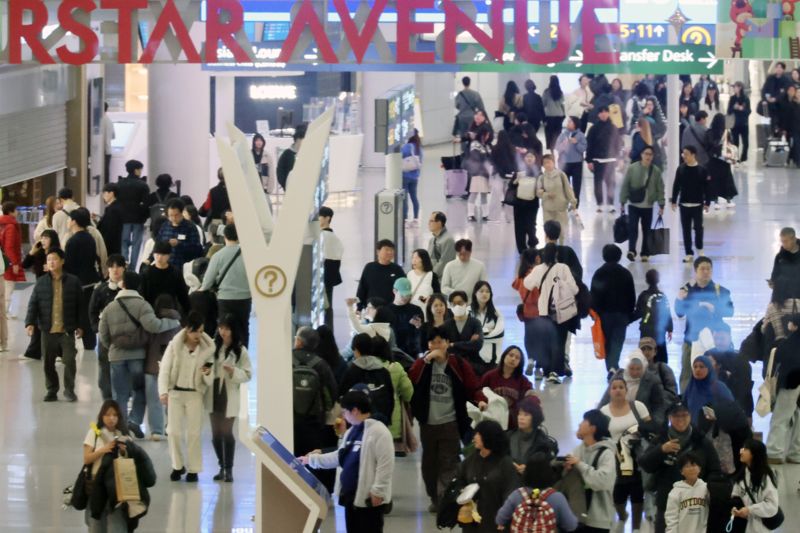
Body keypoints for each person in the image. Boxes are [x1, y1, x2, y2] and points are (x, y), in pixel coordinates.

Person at [409, 327, 487, 512]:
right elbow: (411, 379)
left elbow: (472, 386)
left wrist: (481, 400)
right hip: (428, 424)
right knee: (429, 464)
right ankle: (435, 497)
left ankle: (445, 499)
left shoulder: (457, 364)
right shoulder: (423, 363)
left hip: (451, 422)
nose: (436, 345)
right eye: (432, 342)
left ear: (447, 343)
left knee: (449, 462)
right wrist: (426, 360)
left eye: (440, 341)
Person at [100, 270, 182, 437]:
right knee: (140, 391)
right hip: (137, 356)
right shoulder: (142, 305)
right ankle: (134, 420)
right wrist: (173, 322)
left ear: (123, 284)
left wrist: (113, 349)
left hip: (116, 357)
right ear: (138, 286)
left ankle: (120, 431)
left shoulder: (110, 307)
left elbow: (103, 335)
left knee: (120, 395)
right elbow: (154, 326)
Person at [302, 390, 395, 533]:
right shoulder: (352, 432)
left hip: (369, 500)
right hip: (351, 497)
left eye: (345, 411)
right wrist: (311, 460)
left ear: (355, 411)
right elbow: (339, 456)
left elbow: (386, 465)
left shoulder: (380, 432)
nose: (343, 415)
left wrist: (378, 491)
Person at [639, 401, 723, 533]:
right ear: (670, 418)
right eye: (676, 416)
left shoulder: (700, 440)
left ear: (690, 416)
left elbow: (715, 469)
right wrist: (661, 450)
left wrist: (705, 489)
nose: (680, 420)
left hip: (696, 503)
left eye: (684, 415)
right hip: (666, 501)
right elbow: (645, 464)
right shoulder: (662, 438)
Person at [82, 399, 156, 532]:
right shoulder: (93, 433)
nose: (111, 418)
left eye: (115, 415)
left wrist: (124, 450)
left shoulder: (124, 436)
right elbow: (87, 459)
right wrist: (103, 450)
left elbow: (132, 461)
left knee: (117, 527)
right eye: (108, 414)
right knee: (96, 526)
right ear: (102, 416)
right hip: (95, 487)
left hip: (117, 489)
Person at [158, 311, 214, 482]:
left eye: (201, 331)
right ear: (186, 330)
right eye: (194, 331)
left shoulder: (207, 351)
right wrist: (163, 391)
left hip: (195, 394)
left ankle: (194, 469)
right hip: (175, 393)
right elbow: (165, 369)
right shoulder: (174, 347)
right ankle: (177, 466)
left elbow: (210, 379)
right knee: (173, 431)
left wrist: (206, 372)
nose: (198, 335)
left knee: (194, 433)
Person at [25, 248, 83, 403]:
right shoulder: (41, 282)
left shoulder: (73, 281)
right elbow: (33, 304)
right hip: (47, 330)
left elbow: (80, 305)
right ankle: (52, 389)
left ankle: (69, 390)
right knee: (47, 363)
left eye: (54, 259)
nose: (51, 262)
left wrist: (80, 325)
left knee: (70, 360)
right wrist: (29, 323)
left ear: (62, 261)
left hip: (66, 330)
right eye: (49, 259)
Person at [599, 377, 653, 533]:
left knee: (637, 492)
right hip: (615, 458)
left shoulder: (638, 407)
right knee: (618, 494)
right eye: (614, 387)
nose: (618, 390)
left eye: (621, 387)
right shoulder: (604, 412)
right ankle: (622, 517)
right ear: (610, 391)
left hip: (638, 456)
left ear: (626, 390)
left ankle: (636, 527)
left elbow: (650, 429)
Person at [674, 256, 734, 391]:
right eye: (702, 269)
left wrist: (714, 308)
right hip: (691, 338)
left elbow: (730, 311)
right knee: (688, 373)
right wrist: (679, 300)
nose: (706, 271)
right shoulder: (687, 290)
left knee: (715, 373)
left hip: (715, 341)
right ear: (696, 271)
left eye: (708, 268)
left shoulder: (720, 291)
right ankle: (685, 401)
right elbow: (679, 313)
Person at [523, 243, 578, 383]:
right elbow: (574, 289)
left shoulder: (538, 270)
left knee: (546, 341)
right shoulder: (563, 268)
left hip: (543, 311)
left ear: (542, 255)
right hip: (562, 311)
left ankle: (546, 370)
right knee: (560, 341)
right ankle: (555, 371)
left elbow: (527, 284)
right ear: (557, 255)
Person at [205, 315, 252, 483]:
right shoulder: (212, 346)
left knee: (226, 432)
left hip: (229, 393)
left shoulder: (240, 350)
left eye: (226, 328)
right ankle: (221, 466)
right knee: (216, 434)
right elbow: (205, 364)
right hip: (213, 393)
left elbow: (248, 374)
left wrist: (233, 371)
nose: (222, 332)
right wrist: (206, 370)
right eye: (221, 328)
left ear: (233, 330)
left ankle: (229, 469)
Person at [292, 326, 339, 489]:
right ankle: (315, 493)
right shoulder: (320, 364)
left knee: (292, 458)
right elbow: (332, 393)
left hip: (291, 420)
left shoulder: (287, 359)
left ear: (298, 341)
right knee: (313, 457)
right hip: (314, 421)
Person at [453, 420, 520, 532]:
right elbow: (458, 482)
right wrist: (461, 497)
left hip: (495, 523)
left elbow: (510, 493)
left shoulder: (505, 463)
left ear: (489, 437)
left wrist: (504, 518)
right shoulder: (470, 461)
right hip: (471, 524)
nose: (474, 437)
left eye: (478, 434)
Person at [563, 409, 617, 532]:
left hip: (599, 520)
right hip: (578, 515)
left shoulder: (606, 453)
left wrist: (579, 464)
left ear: (593, 428)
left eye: (584, 421)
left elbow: (602, 481)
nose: (579, 424)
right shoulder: (578, 450)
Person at [496, 453, 578, 532]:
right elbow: (571, 526)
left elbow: (499, 519)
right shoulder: (557, 498)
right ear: (549, 472)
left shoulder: (517, 495)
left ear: (526, 472)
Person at [200, 224, 250, 345]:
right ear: (239, 237)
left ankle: (225, 356)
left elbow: (207, 282)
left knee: (225, 330)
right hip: (244, 298)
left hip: (225, 299)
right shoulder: (248, 255)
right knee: (243, 328)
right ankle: (242, 358)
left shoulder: (218, 256)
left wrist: (201, 290)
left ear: (224, 237)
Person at [590, 244, 636, 378]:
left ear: (604, 256)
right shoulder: (625, 273)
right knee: (617, 341)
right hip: (621, 314)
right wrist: (629, 313)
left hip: (604, 315)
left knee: (607, 341)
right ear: (619, 256)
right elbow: (631, 296)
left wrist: (595, 312)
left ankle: (611, 367)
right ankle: (613, 366)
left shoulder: (599, 273)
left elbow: (594, 294)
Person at [143, 293, 181, 442]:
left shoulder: (152, 323)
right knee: (172, 400)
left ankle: (156, 431)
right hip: (172, 368)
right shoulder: (179, 324)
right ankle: (170, 427)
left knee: (154, 401)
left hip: (151, 366)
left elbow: (145, 341)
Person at [89, 255, 127, 401]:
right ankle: (107, 398)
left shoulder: (131, 288)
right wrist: (96, 329)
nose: (115, 270)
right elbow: (92, 310)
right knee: (104, 366)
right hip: (105, 336)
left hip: (126, 336)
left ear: (124, 268)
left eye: (118, 266)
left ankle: (123, 395)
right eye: (112, 266)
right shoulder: (101, 290)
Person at [64, 208, 103, 351]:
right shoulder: (89, 237)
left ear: (74, 222)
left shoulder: (73, 241)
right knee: (87, 311)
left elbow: (68, 264)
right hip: (90, 280)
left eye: (69, 219)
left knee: (74, 312)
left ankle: (71, 344)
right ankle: (90, 343)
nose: (68, 222)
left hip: (77, 282)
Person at [620, 145, 665, 262]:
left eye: (650, 154)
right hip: (634, 204)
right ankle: (632, 250)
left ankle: (645, 252)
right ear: (641, 155)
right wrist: (622, 201)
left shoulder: (656, 171)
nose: (648, 156)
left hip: (648, 206)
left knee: (647, 230)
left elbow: (660, 188)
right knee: (632, 228)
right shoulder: (632, 168)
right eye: (646, 154)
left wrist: (661, 204)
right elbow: (626, 185)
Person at [706, 322, 754, 423]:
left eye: (722, 339)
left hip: (735, 407)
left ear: (730, 337)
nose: (719, 342)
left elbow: (746, 390)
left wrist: (748, 413)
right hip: (712, 408)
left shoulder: (740, 360)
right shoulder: (708, 356)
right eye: (716, 339)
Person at [601, 351, 666, 426]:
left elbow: (659, 406)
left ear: (643, 367)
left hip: (641, 422)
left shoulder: (652, 381)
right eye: (631, 369)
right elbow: (606, 398)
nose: (634, 372)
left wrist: (654, 424)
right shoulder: (618, 377)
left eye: (638, 369)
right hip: (617, 418)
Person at [671, 145, 711, 263]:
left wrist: (707, 202)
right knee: (685, 229)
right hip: (684, 205)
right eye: (683, 154)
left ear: (693, 155)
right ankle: (688, 252)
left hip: (697, 205)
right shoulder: (681, 169)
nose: (684, 156)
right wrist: (674, 200)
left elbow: (707, 188)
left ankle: (699, 248)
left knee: (698, 228)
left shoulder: (702, 170)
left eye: (687, 154)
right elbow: (676, 185)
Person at [731, 439, 780, 532]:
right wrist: (735, 507)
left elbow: (772, 505)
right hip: (744, 525)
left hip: (760, 527)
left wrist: (750, 510)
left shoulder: (766, 477)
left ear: (754, 454)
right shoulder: (742, 473)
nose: (741, 451)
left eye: (745, 449)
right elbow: (736, 494)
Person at [479, 346, 534, 429]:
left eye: (517, 358)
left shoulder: (523, 380)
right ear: (504, 356)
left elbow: (530, 393)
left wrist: (533, 397)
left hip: (513, 423)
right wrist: (481, 401)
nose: (513, 359)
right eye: (511, 355)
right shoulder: (489, 376)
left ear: (520, 362)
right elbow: (478, 391)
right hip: (492, 421)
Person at [585, 106, 622, 212]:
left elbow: (617, 144)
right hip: (598, 160)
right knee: (598, 183)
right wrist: (589, 160)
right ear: (598, 114)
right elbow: (589, 145)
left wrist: (619, 158)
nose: (604, 114)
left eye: (606, 112)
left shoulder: (614, 128)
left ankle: (611, 204)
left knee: (610, 182)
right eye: (601, 112)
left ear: (609, 113)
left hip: (611, 160)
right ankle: (599, 204)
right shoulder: (593, 129)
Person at [507, 396, 559, 469]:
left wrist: (529, 468)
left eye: (526, 415)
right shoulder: (509, 436)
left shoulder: (543, 442)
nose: (521, 418)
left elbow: (545, 465)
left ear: (535, 417)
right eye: (519, 414)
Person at [441, 290, 486, 375]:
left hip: (474, 365)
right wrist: (468, 343)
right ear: (450, 305)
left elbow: (477, 345)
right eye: (454, 304)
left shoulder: (475, 323)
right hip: (452, 366)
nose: (457, 306)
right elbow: (445, 347)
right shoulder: (446, 325)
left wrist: (453, 344)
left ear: (466, 303)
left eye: (460, 302)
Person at [634, 270, 674, 364]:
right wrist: (670, 328)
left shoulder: (643, 295)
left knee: (646, 354)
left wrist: (627, 320)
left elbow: (638, 313)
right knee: (661, 353)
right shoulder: (663, 296)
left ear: (646, 280)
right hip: (660, 331)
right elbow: (667, 313)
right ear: (658, 280)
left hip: (646, 330)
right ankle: (661, 371)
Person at [664, 453, 710, 533]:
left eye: (694, 465)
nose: (691, 469)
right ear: (681, 471)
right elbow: (671, 519)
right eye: (687, 466)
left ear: (699, 468)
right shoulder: (675, 492)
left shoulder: (707, 489)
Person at [140, 241, 191, 313]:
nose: (159, 257)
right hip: (151, 312)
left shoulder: (175, 272)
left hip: (170, 312)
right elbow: (142, 295)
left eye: (163, 254)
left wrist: (188, 313)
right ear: (153, 254)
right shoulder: (147, 273)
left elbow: (183, 295)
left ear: (169, 255)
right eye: (157, 254)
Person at [355, 239, 405, 311]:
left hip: (392, 310)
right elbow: (362, 289)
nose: (390, 252)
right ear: (378, 252)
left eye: (392, 250)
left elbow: (403, 290)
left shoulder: (397, 269)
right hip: (371, 309)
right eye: (387, 250)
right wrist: (359, 308)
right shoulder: (369, 267)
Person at [117, 160, 150, 267]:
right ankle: (133, 266)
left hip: (123, 218)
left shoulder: (120, 184)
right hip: (138, 219)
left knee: (124, 242)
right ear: (136, 170)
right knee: (136, 244)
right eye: (140, 169)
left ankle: (124, 263)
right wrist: (144, 217)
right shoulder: (143, 185)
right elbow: (146, 204)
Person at [537, 154, 576, 243]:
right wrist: (546, 194)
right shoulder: (541, 178)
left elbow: (568, 189)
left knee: (562, 232)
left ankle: (561, 251)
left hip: (561, 208)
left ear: (553, 163)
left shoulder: (561, 175)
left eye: (549, 162)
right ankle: (550, 251)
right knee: (549, 232)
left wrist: (573, 201)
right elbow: (538, 193)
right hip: (548, 209)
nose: (547, 165)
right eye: (545, 163)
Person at [156, 199, 203, 270]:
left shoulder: (190, 227)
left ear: (182, 212)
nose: (174, 218)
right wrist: (150, 259)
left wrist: (179, 244)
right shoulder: (165, 226)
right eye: (171, 215)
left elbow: (197, 249)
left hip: (183, 267)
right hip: (165, 267)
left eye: (176, 215)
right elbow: (157, 245)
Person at [705, 114, 738, 208]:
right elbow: (731, 144)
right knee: (726, 180)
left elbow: (707, 146)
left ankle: (715, 202)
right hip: (724, 160)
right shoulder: (727, 132)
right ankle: (728, 200)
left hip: (713, 160)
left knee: (714, 181)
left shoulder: (709, 132)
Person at [510, 150, 541, 254]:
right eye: (527, 156)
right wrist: (516, 180)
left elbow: (542, 187)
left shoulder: (538, 172)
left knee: (531, 225)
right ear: (524, 158)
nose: (529, 158)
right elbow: (511, 186)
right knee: (519, 227)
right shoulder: (518, 171)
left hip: (532, 204)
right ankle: (522, 250)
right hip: (519, 204)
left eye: (531, 156)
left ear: (535, 159)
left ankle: (532, 243)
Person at [319, 206, 344, 330]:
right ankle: (328, 333)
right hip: (329, 277)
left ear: (327, 218)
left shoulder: (324, 236)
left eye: (319, 216)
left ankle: (325, 332)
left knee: (325, 307)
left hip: (322, 277)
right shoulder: (333, 237)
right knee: (327, 306)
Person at [471, 281, 504, 368]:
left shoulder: (496, 313)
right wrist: (487, 331)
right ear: (475, 293)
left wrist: (477, 336)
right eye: (481, 291)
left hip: (492, 360)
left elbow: (499, 336)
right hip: (471, 359)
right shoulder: (468, 312)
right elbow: (466, 336)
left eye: (487, 291)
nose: (484, 294)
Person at [555, 116, 587, 207]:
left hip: (577, 163)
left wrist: (576, 142)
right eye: (568, 122)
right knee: (565, 184)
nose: (568, 123)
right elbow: (557, 148)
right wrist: (563, 145)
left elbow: (583, 149)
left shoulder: (580, 135)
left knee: (577, 185)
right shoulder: (563, 134)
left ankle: (575, 203)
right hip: (565, 163)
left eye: (570, 122)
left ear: (576, 124)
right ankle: (565, 201)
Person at [388, 277, 422, 357]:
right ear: (394, 291)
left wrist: (418, 326)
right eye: (403, 295)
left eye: (408, 295)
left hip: (412, 353)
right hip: (392, 353)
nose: (406, 298)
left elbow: (421, 334)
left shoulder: (416, 310)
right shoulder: (386, 311)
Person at [489, 130, 517, 223]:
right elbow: (515, 162)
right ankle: (510, 218)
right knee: (509, 197)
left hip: (498, 174)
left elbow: (492, 162)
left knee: (496, 196)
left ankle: (493, 217)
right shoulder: (512, 148)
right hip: (510, 175)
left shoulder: (495, 148)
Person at [464, 137, 493, 222]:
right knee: (474, 194)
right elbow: (475, 157)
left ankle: (485, 215)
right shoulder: (476, 144)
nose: (487, 136)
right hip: (477, 173)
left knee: (484, 194)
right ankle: (470, 215)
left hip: (484, 174)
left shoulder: (486, 145)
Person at [761, 61, 792, 133]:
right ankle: (769, 133)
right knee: (765, 114)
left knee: (780, 120)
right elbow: (764, 89)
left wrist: (775, 99)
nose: (778, 69)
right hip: (769, 104)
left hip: (781, 104)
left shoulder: (786, 80)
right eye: (777, 67)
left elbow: (783, 92)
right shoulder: (770, 78)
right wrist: (764, 99)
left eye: (780, 68)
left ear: (783, 70)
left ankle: (779, 131)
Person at [769, 227, 800, 297]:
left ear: (794, 239)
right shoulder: (779, 257)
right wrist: (772, 284)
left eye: (786, 241)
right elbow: (774, 277)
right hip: (784, 298)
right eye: (782, 241)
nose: (784, 244)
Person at [276, 124, 308, 191]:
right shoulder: (287, 154)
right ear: (297, 139)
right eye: (302, 139)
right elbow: (280, 171)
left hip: (305, 190)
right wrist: (285, 185)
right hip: (290, 190)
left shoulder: (307, 154)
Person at [454, 76, 486, 142]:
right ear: (469, 83)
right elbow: (481, 107)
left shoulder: (459, 95)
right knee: (472, 135)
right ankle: (471, 150)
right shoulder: (475, 94)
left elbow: (457, 106)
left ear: (463, 83)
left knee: (462, 136)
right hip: (472, 118)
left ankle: (464, 151)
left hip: (462, 117)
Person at [407, 248, 437, 318]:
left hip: (426, 311)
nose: (414, 260)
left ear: (424, 259)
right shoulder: (409, 274)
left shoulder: (431, 275)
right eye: (413, 258)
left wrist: (431, 299)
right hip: (411, 311)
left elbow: (437, 294)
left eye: (417, 258)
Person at [401, 129, 422, 225]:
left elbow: (400, 156)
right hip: (415, 177)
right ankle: (416, 218)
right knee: (414, 197)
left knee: (405, 198)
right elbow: (420, 163)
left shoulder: (406, 147)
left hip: (405, 175)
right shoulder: (419, 149)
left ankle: (405, 219)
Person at [427, 211, 456, 280]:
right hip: (431, 278)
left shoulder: (448, 240)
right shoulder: (432, 240)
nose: (428, 224)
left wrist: (432, 276)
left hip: (441, 280)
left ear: (439, 223)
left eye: (431, 221)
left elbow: (444, 263)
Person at [97, 182, 124, 256]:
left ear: (111, 193)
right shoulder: (117, 207)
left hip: (110, 246)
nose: (103, 196)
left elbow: (109, 229)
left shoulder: (113, 210)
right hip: (115, 244)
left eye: (104, 193)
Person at [728, 81, 751, 163]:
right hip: (735, 123)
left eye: (735, 87)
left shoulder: (745, 98)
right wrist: (734, 107)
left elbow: (749, 111)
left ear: (740, 88)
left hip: (744, 123)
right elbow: (729, 111)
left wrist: (742, 109)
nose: (734, 89)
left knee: (746, 142)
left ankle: (744, 158)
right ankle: (736, 158)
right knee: (735, 142)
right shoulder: (732, 99)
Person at [543, 76, 566, 150]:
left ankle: (551, 147)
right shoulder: (560, 92)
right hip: (560, 115)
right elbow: (562, 104)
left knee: (550, 133)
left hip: (550, 115)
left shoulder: (546, 92)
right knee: (558, 133)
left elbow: (543, 103)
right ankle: (557, 146)